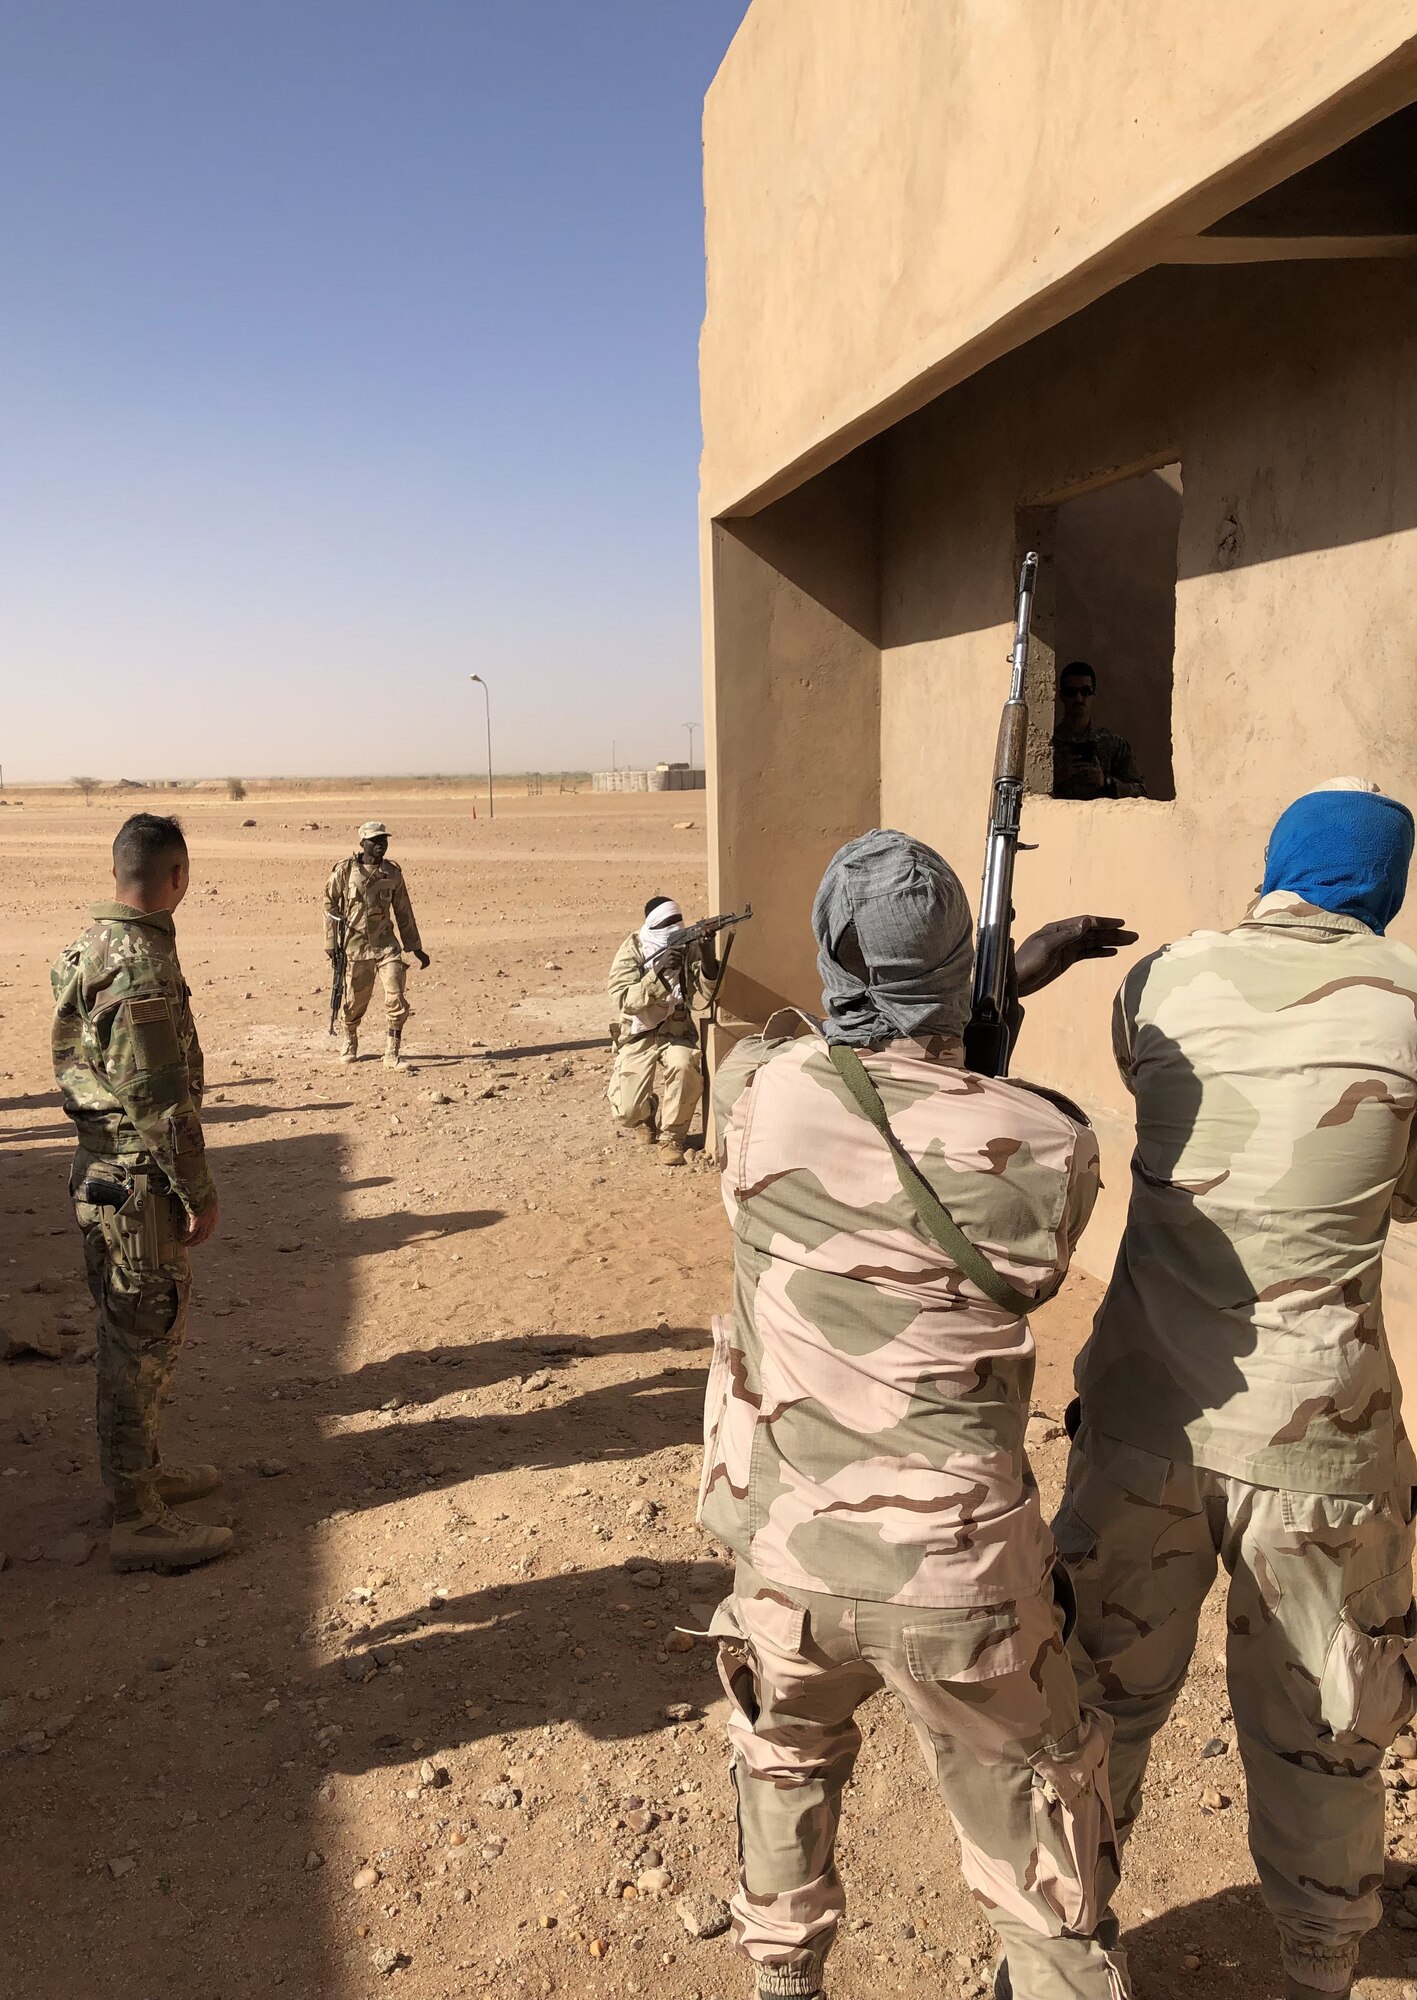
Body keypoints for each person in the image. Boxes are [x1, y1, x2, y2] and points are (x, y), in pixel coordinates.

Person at [699, 828, 1136, 2000]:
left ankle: (785, 1980)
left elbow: (818, 1057)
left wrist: (946, 1012)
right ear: (962, 975)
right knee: (1044, 1874)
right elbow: (1011, 1203)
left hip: (785, 1558)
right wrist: (986, 1036)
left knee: (783, 1766)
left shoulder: (758, 1096)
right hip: (962, 1581)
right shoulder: (1048, 1146)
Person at [1057, 779, 1417, 2000]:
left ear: (1273, 866)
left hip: (1142, 1421)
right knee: (1325, 1734)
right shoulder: (1410, 1002)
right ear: (1385, 886)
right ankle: (1317, 1972)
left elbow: (1158, 1094)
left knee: (1096, 1708)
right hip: (1325, 1446)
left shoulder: (1157, 980)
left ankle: (1061, 1946)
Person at [51, 813, 232, 1573]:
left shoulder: (87, 945)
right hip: (136, 1181)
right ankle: (136, 1517)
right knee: (140, 1341)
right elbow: (157, 1096)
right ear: (176, 877)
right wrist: (198, 1190)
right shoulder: (138, 965)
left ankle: (141, 1475)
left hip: (101, 1168)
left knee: (129, 1333)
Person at [606, 895, 716, 1165]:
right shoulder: (633, 949)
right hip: (638, 1034)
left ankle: (672, 1138)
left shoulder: (687, 948)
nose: (673, 929)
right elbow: (623, 999)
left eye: (677, 923)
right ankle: (646, 1114)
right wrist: (659, 972)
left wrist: (707, 955)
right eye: (666, 924)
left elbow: (704, 997)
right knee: (627, 1112)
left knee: (684, 1065)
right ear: (652, 926)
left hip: (677, 1030)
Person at [324, 820, 430, 1068]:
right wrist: (331, 941)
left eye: (384, 840)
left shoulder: (392, 873)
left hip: (386, 946)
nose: (382, 844)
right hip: (355, 946)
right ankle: (350, 1039)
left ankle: (392, 1053)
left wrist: (415, 947)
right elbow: (329, 904)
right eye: (376, 840)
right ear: (363, 844)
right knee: (355, 1001)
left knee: (396, 997)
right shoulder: (345, 871)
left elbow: (404, 910)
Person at [1052, 661, 1144, 800]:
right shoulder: (1048, 744)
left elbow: (1141, 792)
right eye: (1071, 692)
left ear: (1093, 694)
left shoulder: (1114, 744)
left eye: (1085, 692)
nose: (1079, 698)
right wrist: (1056, 777)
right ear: (1061, 696)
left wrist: (1106, 782)